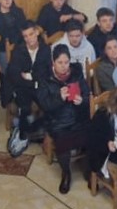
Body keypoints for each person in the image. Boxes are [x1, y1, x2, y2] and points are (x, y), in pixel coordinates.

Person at [36, 46, 89, 195]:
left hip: (78, 118)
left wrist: (82, 100)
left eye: (66, 62)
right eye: (60, 62)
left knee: (94, 134)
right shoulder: (45, 77)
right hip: (58, 122)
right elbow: (44, 104)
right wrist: (59, 98)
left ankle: (89, 171)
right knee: (62, 142)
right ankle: (66, 173)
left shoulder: (76, 72)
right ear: (53, 62)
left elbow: (87, 94)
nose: (64, 66)